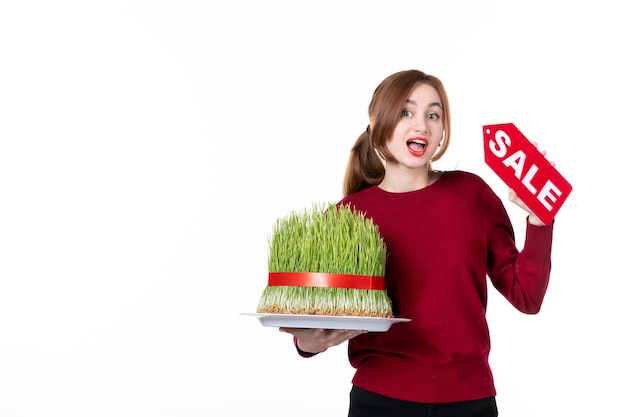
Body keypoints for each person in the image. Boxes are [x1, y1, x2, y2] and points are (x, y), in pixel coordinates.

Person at [279, 69, 554, 417]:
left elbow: (527, 297)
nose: (421, 124)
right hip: (378, 401)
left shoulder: (472, 195)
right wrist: (308, 344)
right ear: (379, 125)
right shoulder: (348, 215)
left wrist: (539, 222)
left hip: (468, 402)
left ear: (441, 134)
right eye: (407, 112)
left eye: (433, 115)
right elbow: (319, 314)